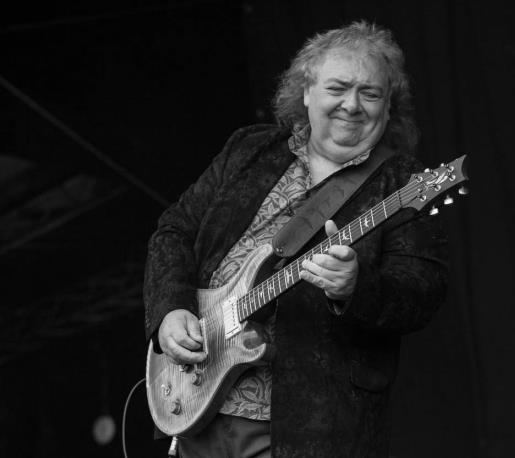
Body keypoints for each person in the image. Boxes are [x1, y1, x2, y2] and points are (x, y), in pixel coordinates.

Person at [143, 20, 448, 457]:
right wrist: (170, 309)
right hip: (198, 405)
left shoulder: (402, 184)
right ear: (306, 92)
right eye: (338, 88)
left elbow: (424, 291)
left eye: (370, 93)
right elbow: (174, 230)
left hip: (309, 429)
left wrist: (356, 286)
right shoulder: (249, 149)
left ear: (388, 106)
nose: (352, 105)